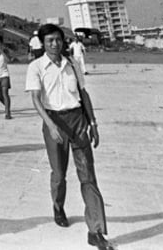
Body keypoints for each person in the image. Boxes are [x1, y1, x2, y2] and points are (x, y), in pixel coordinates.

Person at [26, 24, 114, 250]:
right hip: (54, 122)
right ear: (43, 43)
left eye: (58, 39)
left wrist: (93, 123)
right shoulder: (36, 67)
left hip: (77, 122)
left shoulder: (72, 64)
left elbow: (83, 94)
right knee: (59, 174)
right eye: (50, 41)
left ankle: (95, 231)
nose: (55, 44)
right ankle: (58, 207)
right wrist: (50, 125)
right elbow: (35, 99)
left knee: (88, 176)